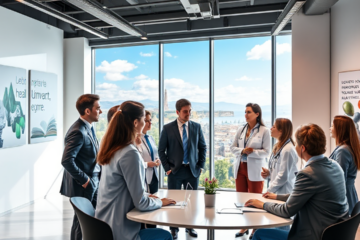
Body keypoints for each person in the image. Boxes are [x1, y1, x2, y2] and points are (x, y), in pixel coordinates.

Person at [245, 124, 349, 240]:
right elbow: (303, 194)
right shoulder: (335, 165)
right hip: (335, 233)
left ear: (302, 148)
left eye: (297, 144)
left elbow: (287, 210)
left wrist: (263, 205)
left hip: (314, 235)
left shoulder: (308, 173)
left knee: (259, 233)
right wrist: (277, 196)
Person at [95, 101, 175, 240]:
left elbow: (122, 187)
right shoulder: (129, 153)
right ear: (135, 122)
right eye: (144, 119)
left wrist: (145, 195)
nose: (145, 123)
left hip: (104, 225)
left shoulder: (113, 147)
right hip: (120, 231)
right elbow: (141, 204)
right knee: (166, 235)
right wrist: (160, 202)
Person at [158, 98, 207, 239]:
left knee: (191, 202)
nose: (188, 114)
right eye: (185, 111)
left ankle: (189, 227)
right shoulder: (168, 128)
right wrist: (167, 168)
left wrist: (200, 166)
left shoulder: (196, 127)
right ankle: (174, 228)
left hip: (192, 171)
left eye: (190, 111)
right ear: (177, 112)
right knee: (173, 201)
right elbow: (162, 150)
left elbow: (202, 147)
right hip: (175, 171)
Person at [59, 94, 102, 240]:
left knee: (89, 221)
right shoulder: (77, 131)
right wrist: (86, 181)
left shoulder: (88, 127)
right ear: (88, 111)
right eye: (98, 108)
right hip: (84, 185)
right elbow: (66, 160)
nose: (100, 111)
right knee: (81, 223)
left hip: (92, 182)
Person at [230, 103, 270, 238]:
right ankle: (244, 226)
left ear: (257, 114)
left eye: (249, 112)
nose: (246, 115)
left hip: (255, 169)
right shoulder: (241, 129)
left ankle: (255, 229)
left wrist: (251, 152)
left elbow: (267, 152)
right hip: (240, 167)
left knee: (255, 200)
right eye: (245, 112)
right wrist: (242, 151)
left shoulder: (265, 131)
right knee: (242, 199)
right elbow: (232, 147)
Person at [330, 115, 360, 213]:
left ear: (340, 129)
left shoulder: (343, 151)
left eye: (332, 126)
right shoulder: (346, 147)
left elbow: (339, 178)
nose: (330, 129)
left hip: (344, 197)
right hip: (349, 194)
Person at [261, 118, 298, 195]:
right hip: (276, 191)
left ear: (281, 131)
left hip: (283, 192)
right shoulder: (279, 146)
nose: (271, 128)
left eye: (274, 127)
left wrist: (269, 190)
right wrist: (269, 173)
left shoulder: (287, 150)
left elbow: (283, 176)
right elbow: (279, 170)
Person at [136, 110, 161, 194]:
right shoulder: (135, 140)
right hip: (143, 176)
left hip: (154, 175)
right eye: (147, 121)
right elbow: (135, 161)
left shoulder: (150, 138)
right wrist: (147, 164)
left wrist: (157, 160)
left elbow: (155, 154)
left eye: (150, 120)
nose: (150, 123)